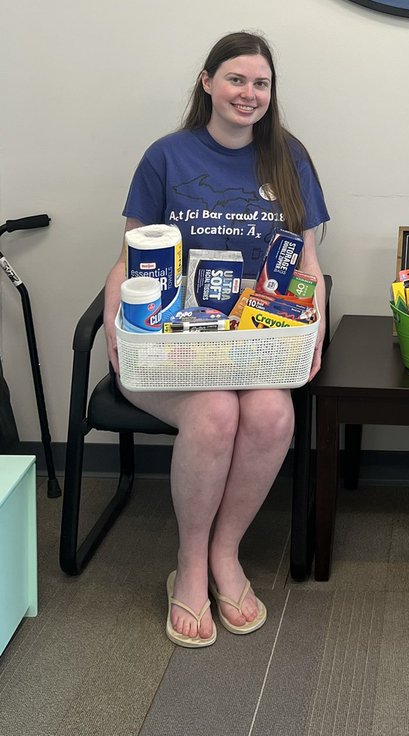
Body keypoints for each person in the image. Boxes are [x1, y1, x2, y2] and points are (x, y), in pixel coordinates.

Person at [103, 31, 329, 648]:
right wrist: (112, 320)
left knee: (270, 415)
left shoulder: (289, 157)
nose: (248, 93)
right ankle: (192, 562)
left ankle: (227, 553)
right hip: (175, 343)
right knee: (212, 415)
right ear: (207, 83)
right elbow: (129, 254)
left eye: (261, 83)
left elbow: (308, 266)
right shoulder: (166, 157)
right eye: (236, 79)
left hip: (257, 342)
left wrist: (315, 330)